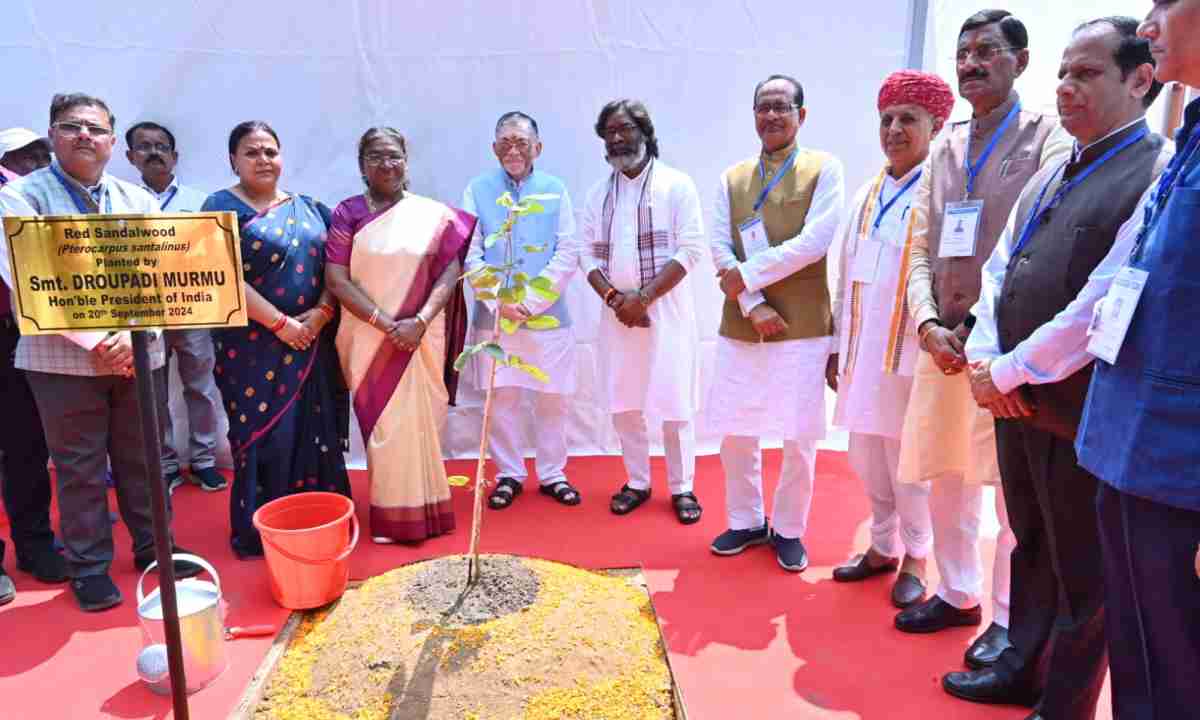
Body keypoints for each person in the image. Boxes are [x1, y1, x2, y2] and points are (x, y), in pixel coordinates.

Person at [952, 18, 1170, 717]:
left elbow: (1102, 299)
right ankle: (1021, 667)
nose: (1067, 88)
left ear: (1140, 80)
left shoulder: (1154, 171)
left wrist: (1011, 371)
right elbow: (998, 270)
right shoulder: (1053, 169)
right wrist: (986, 360)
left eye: (1088, 74)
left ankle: (1065, 703)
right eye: (1064, 73)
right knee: (1030, 545)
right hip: (1014, 398)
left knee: (1083, 570)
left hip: (1075, 407)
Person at [891, 9, 1071, 668]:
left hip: (1004, 347)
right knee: (946, 474)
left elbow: (1035, 243)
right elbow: (920, 245)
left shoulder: (1049, 139)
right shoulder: (946, 143)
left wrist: (973, 327)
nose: (970, 63)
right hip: (941, 347)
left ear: (1020, 61)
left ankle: (1004, 618)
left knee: (1009, 490)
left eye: (987, 51)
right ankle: (959, 591)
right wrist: (928, 322)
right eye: (963, 52)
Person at [0, 94, 200, 612]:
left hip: (138, 352)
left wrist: (134, 337)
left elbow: (165, 276)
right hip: (59, 359)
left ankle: (156, 550)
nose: (85, 135)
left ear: (114, 142)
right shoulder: (22, 198)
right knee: (79, 466)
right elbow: (26, 278)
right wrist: (100, 342)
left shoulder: (137, 200)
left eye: (96, 128)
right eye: (72, 126)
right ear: (53, 136)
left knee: (146, 459)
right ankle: (89, 567)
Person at [1074, 3, 1200, 718]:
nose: (1148, 25)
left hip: (1183, 477)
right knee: (1143, 672)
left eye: (1164, 3)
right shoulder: (1191, 136)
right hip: (1132, 454)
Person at [707, 75, 845, 571]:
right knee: (735, 429)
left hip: (804, 325)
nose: (771, 116)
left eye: (781, 107)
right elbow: (718, 247)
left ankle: (788, 528)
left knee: (799, 434)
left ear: (801, 115)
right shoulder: (732, 177)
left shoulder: (824, 169)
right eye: (762, 107)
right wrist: (751, 301)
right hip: (743, 322)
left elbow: (816, 241)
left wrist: (745, 275)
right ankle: (745, 520)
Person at [828, 71, 953, 604]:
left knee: (909, 466)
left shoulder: (942, 190)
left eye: (909, 119)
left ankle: (917, 556)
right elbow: (844, 271)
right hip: (861, 352)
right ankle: (880, 545)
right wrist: (836, 345)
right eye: (887, 119)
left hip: (907, 354)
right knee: (864, 458)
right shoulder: (866, 192)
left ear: (936, 125)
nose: (895, 129)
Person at [201, 121, 351, 558]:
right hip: (251, 346)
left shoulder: (308, 208)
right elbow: (221, 274)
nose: (263, 160)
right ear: (233, 160)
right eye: (252, 152)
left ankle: (318, 517)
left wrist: (322, 314)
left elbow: (335, 267)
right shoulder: (219, 207)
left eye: (270, 151)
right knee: (266, 435)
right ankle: (264, 528)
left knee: (312, 428)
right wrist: (283, 325)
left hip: (312, 342)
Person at [326, 127, 472, 543]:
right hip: (370, 339)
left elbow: (450, 271)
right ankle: (393, 518)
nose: (385, 164)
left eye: (393, 156)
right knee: (386, 428)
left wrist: (421, 321)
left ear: (406, 160)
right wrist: (386, 325)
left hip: (422, 336)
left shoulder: (435, 215)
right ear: (361, 166)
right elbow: (336, 280)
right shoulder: (348, 213)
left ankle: (430, 510)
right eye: (374, 157)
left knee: (423, 422)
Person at [580, 99, 706, 524]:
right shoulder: (598, 195)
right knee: (624, 400)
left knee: (674, 402)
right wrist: (618, 301)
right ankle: (637, 481)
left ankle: (682, 486)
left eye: (625, 129)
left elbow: (691, 249)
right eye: (609, 132)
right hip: (618, 317)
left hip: (666, 313)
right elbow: (585, 256)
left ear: (645, 133)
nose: (617, 138)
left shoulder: (677, 185)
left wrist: (645, 298)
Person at [461, 112, 580, 510]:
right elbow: (469, 253)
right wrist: (500, 302)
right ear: (495, 149)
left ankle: (552, 474)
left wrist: (529, 302)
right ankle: (509, 473)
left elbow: (568, 250)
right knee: (502, 397)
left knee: (553, 397)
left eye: (522, 142)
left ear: (538, 148)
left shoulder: (555, 189)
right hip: (493, 318)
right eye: (506, 143)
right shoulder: (476, 190)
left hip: (547, 315)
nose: (514, 149)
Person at [125, 120, 225, 494]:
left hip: (194, 311)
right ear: (130, 156)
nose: (154, 152)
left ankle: (203, 461)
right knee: (152, 390)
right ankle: (165, 463)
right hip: (145, 313)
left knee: (200, 386)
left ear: (175, 155)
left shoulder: (201, 202)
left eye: (161, 146)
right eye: (145, 146)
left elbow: (215, 256)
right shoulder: (121, 202)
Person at [0, 127, 60, 607]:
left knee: (27, 447)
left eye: (42, 151)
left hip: (20, 333)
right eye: (27, 154)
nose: (39, 159)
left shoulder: (42, 203)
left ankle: (36, 546)